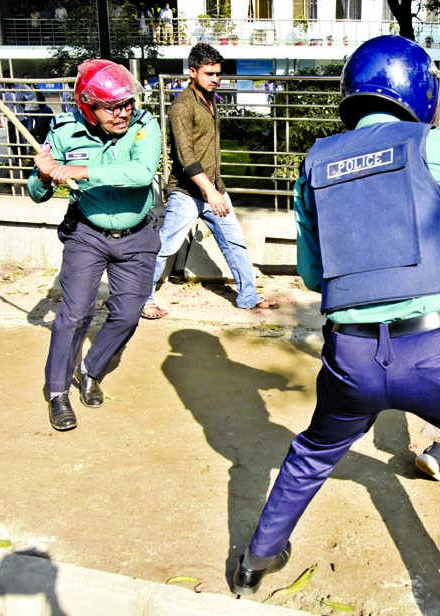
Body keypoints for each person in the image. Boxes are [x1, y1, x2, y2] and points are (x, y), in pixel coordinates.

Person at [229, 36, 440, 616]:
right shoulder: (438, 144)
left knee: (313, 451)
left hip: (349, 357)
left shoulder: (316, 159)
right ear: (420, 92)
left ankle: (255, 561)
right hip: (438, 353)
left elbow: (311, 271)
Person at [27, 59, 162, 431]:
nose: (123, 112)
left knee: (128, 314)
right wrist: (43, 174)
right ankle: (57, 393)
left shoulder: (144, 126)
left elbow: (141, 174)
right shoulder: (65, 132)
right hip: (87, 234)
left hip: (138, 236)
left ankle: (91, 370)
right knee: (74, 314)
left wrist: (80, 170)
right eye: (112, 106)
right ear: (89, 106)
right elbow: (37, 193)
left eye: (127, 103)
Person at [143, 43, 276, 319]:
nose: (216, 79)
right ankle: (141, 299)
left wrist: (216, 190)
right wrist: (210, 193)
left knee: (235, 242)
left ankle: (248, 297)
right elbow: (186, 157)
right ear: (193, 72)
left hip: (214, 188)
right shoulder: (182, 107)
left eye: (218, 73)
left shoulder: (211, 99)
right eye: (209, 73)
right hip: (187, 192)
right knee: (165, 246)